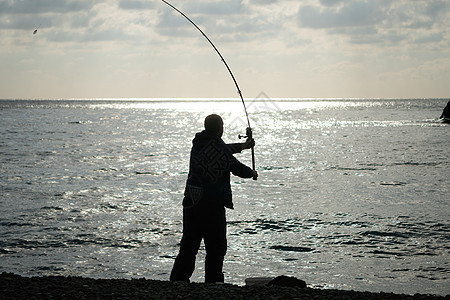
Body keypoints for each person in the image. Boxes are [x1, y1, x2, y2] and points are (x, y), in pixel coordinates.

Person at [170, 114, 257, 283]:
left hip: (191, 201)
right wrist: (252, 173)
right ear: (220, 128)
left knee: (189, 244)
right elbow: (235, 167)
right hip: (211, 203)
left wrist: (242, 146)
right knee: (216, 246)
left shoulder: (199, 142)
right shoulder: (217, 146)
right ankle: (213, 280)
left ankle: (178, 280)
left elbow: (221, 149)